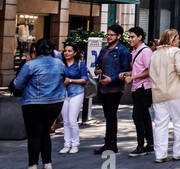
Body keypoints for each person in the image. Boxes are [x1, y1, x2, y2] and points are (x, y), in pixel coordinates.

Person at [13, 38, 66, 169]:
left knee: (34, 134)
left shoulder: (31, 65)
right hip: (55, 102)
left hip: (34, 102)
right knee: (45, 133)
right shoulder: (59, 64)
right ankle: (47, 164)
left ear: (36, 50)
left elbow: (18, 84)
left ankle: (32, 166)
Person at [149, 29, 180, 163]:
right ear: (173, 40)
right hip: (176, 91)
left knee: (160, 124)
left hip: (158, 93)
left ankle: (160, 154)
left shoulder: (154, 54)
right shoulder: (176, 52)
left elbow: (150, 72)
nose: (179, 41)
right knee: (179, 122)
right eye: (177, 38)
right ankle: (178, 152)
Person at [91, 24, 131, 155]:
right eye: (107, 34)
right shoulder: (104, 50)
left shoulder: (122, 51)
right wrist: (97, 70)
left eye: (111, 35)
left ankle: (111, 144)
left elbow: (126, 71)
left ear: (118, 36)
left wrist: (112, 79)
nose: (108, 37)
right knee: (108, 116)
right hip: (103, 87)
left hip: (115, 88)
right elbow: (98, 64)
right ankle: (108, 143)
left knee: (111, 116)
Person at [122, 27, 155, 157]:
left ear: (140, 37)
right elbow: (137, 70)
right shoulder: (134, 51)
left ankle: (140, 145)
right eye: (129, 37)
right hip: (137, 87)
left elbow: (149, 70)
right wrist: (126, 74)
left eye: (132, 37)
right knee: (144, 116)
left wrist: (133, 77)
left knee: (137, 116)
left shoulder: (145, 51)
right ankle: (150, 144)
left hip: (144, 88)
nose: (130, 39)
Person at [58, 42, 88, 154]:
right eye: (65, 50)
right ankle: (67, 143)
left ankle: (75, 143)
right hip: (63, 93)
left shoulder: (80, 64)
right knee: (65, 121)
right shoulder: (60, 64)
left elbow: (84, 79)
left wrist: (70, 80)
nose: (67, 53)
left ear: (75, 53)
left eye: (69, 51)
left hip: (77, 93)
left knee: (72, 120)